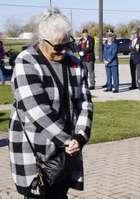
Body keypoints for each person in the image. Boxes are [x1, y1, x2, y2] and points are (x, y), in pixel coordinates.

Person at [8, 8, 93, 199]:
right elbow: (36, 109)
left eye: (67, 44)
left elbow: (85, 103)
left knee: (60, 193)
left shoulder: (75, 63)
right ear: (41, 40)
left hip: (66, 153)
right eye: (57, 46)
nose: (63, 50)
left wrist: (80, 137)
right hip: (35, 151)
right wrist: (67, 139)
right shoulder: (26, 61)